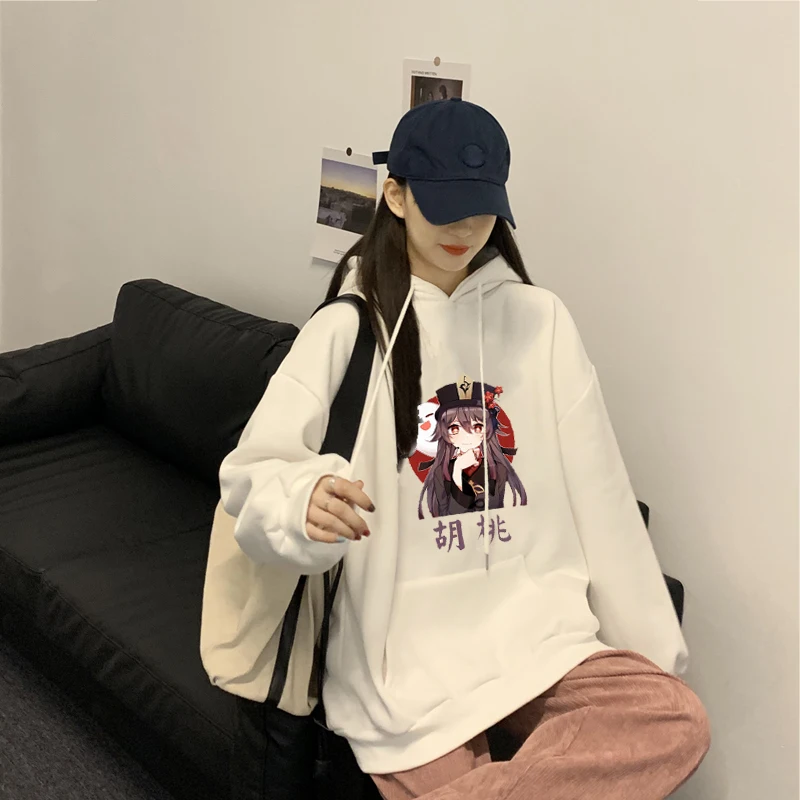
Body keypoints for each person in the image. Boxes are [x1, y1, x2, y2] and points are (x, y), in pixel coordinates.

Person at [219, 98, 710, 800]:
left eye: (481, 211)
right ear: (395, 195)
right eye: (445, 207)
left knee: (675, 718)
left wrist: (646, 649)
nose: (465, 230)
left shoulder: (541, 322)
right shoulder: (348, 328)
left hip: (537, 634)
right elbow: (251, 473)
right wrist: (302, 502)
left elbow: (599, 487)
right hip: (402, 658)